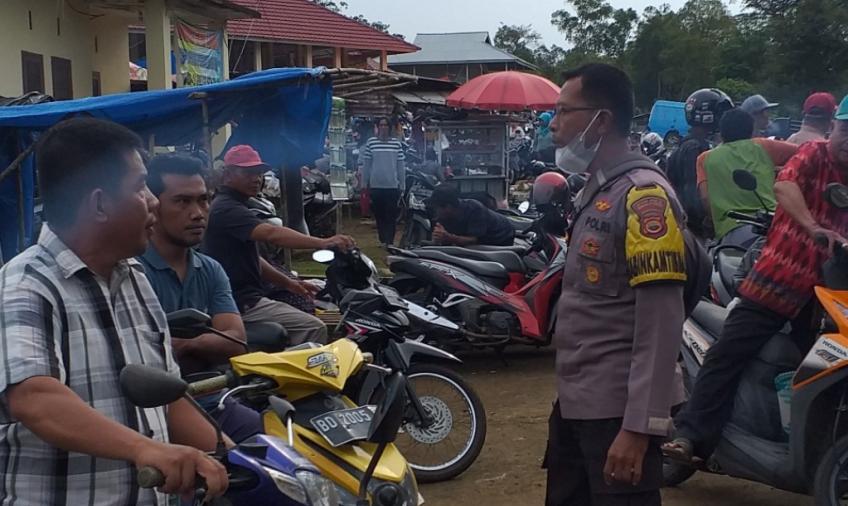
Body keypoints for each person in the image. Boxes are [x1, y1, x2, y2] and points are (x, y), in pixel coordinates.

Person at [0, 118, 228, 504]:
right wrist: (145, 449)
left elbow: (170, 398)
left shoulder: (135, 279)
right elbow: (35, 397)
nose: (154, 201)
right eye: (141, 187)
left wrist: (235, 459)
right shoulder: (25, 284)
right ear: (100, 204)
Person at [665, 95, 848, 464]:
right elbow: (786, 187)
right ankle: (690, 434)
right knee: (729, 353)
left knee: (817, 370)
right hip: (779, 280)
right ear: (833, 127)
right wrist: (813, 226)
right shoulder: (814, 154)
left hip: (828, 295)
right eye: (847, 130)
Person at [545, 63, 686, 506]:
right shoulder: (596, 190)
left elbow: (660, 324)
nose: (553, 124)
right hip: (577, 404)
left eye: (564, 111)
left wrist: (639, 427)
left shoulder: (645, 197)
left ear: (600, 121)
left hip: (618, 417)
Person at [138, 153, 262, 443]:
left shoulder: (210, 269)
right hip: (156, 418)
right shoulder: (134, 272)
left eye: (203, 200)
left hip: (216, 402)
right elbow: (148, 359)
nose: (198, 212)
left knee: (281, 456)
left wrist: (188, 345)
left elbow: (236, 342)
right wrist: (207, 344)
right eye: (182, 201)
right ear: (154, 205)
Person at [202, 144, 354, 346]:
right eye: (247, 172)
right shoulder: (226, 208)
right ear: (228, 175)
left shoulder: (236, 205)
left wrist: (289, 283)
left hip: (248, 297)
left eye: (259, 173)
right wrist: (322, 242)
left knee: (306, 306)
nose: (256, 178)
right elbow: (272, 233)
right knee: (313, 327)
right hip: (241, 303)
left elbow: (254, 259)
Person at [696, 108, 798, 244]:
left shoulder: (705, 158)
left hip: (730, 230)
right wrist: (784, 171)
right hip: (774, 225)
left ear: (721, 132)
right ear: (751, 130)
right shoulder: (764, 146)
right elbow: (806, 152)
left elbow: (705, 198)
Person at [666, 88, 734, 238]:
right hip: (693, 230)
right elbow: (694, 195)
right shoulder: (694, 148)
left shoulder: (690, 144)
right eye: (722, 114)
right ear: (708, 116)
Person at [361, 117, 405, 247]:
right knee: (379, 215)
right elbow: (367, 164)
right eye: (381, 125)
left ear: (390, 128)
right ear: (377, 127)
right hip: (376, 185)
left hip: (392, 185)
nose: (383, 128)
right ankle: (382, 239)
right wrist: (364, 183)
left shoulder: (396, 144)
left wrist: (402, 184)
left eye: (386, 125)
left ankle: (389, 241)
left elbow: (400, 165)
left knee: (391, 215)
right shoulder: (371, 143)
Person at [428, 185, 514, 247]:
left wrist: (449, 237)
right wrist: (438, 238)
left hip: (502, 237)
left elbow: (473, 240)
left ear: (448, 207)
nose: (436, 212)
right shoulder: (443, 216)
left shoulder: (474, 209)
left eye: (437, 208)